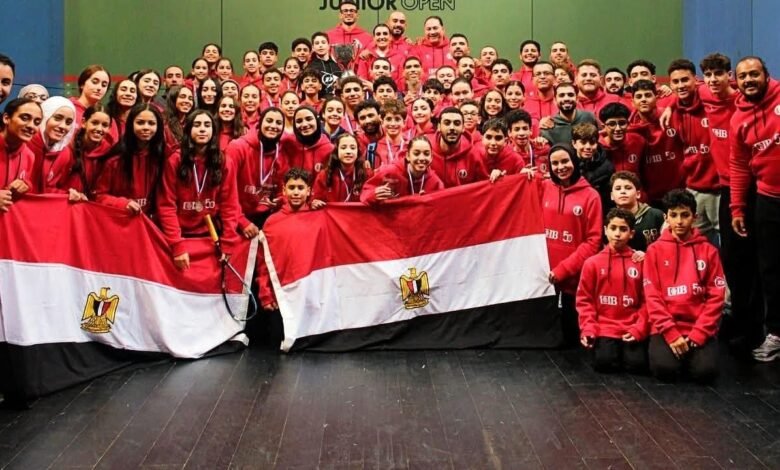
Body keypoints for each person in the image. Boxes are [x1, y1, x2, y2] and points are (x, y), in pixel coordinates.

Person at [644, 189, 725, 382]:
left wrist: (699, 333)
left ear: (695, 217)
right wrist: (671, 334)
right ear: (666, 218)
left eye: (685, 215)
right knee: (665, 370)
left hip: (698, 326)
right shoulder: (654, 251)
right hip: (666, 327)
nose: (679, 221)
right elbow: (652, 297)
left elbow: (716, 297)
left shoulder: (709, 251)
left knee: (705, 373)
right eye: (673, 215)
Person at [730, 56, 780, 361]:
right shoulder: (739, 119)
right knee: (771, 270)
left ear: (766, 75)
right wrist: (737, 207)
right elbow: (739, 165)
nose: (749, 80)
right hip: (767, 200)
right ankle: (776, 333)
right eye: (743, 76)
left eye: (754, 74)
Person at [157, 110, 241, 270]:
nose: (202, 129)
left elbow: (230, 205)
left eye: (207, 125)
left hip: (209, 236)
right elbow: (166, 206)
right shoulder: (175, 160)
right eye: (197, 125)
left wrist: (228, 241)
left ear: (214, 131)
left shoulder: (224, 162)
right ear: (188, 130)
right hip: (180, 236)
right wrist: (176, 244)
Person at [541, 143, 602, 346]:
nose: (560, 167)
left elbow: (593, 241)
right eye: (555, 163)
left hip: (574, 282)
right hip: (543, 281)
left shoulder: (591, 196)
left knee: (571, 342)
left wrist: (563, 270)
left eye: (565, 161)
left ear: (574, 160)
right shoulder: (544, 187)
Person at [577, 208, 649, 372]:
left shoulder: (640, 262)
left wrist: (639, 328)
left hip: (632, 326)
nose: (617, 234)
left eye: (623, 229)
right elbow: (585, 301)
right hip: (604, 328)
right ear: (605, 230)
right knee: (604, 363)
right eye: (613, 228)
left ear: (631, 233)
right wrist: (589, 328)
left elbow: (647, 301)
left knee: (637, 365)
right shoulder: (592, 263)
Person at [667, 59, 720, 243]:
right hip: (694, 189)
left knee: (730, 246)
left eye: (685, 80)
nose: (680, 85)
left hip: (720, 189)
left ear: (695, 80)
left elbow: (731, 84)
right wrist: (671, 105)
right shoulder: (673, 113)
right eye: (676, 81)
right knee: (692, 245)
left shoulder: (710, 98)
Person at [257, 168, 315, 311]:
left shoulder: (317, 219)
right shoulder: (271, 223)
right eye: (291, 187)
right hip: (281, 296)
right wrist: (265, 294)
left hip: (311, 296)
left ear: (308, 191)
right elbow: (263, 263)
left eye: (300, 188)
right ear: (284, 190)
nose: (296, 192)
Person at [95, 103, 166, 217]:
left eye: (151, 123)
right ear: (130, 124)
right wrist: (123, 204)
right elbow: (99, 196)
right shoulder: (115, 160)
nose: (146, 127)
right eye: (140, 122)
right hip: (119, 219)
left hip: (148, 221)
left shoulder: (163, 157)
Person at [226, 107, 286, 236]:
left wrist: (279, 200)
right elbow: (226, 191)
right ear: (260, 123)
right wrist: (241, 221)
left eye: (278, 123)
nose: (273, 126)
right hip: (239, 216)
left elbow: (283, 188)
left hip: (268, 216)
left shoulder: (282, 151)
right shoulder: (238, 147)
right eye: (269, 121)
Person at [628, 79, 684, 205]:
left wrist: (671, 103)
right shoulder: (629, 130)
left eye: (648, 95)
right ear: (632, 102)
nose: (643, 99)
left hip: (679, 192)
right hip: (649, 199)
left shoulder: (671, 116)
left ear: (657, 98)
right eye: (639, 96)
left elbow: (696, 89)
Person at [361, 136, 445, 204]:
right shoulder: (391, 172)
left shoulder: (435, 182)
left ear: (431, 158)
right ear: (408, 156)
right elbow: (365, 192)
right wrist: (373, 194)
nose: (422, 158)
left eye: (426, 154)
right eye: (416, 153)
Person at [0, 98, 42, 212]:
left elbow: (27, 182)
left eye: (37, 122)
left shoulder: (29, 156)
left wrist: (26, 185)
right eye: (24, 118)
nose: (31, 126)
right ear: (6, 118)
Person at [28, 97, 77, 193]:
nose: (63, 126)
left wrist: (69, 194)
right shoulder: (26, 143)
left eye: (68, 122)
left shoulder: (65, 153)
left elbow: (51, 188)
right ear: (44, 117)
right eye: (57, 118)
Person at [429, 107, 487, 187]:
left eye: (457, 123)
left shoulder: (473, 155)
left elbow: (484, 187)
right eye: (447, 123)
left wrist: (497, 176)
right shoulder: (427, 151)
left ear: (463, 128)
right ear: (438, 127)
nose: (452, 128)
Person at [610, 171, 665, 251]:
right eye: (618, 188)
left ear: (638, 194)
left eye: (628, 188)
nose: (623, 191)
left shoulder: (656, 215)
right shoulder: (609, 220)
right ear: (612, 196)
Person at [312, 133, 370, 207]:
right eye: (343, 148)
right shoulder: (324, 175)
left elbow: (372, 198)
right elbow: (315, 200)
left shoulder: (367, 174)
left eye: (352, 148)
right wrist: (314, 203)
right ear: (336, 151)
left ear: (357, 152)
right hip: (332, 214)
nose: (348, 152)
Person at [572, 122, 614, 211]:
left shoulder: (607, 167)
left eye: (592, 143)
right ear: (574, 144)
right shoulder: (567, 165)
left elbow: (609, 200)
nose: (588, 147)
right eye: (583, 142)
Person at [280, 106, 334, 175]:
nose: (304, 124)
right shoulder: (288, 144)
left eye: (309, 119)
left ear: (317, 120)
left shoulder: (330, 149)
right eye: (299, 121)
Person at [599, 102, 646, 177]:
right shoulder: (598, 148)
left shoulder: (638, 141)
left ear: (628, 124)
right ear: (604, 126)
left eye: (622, 123)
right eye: (612, 124)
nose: (618, 128)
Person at [476, 118, 524, 182]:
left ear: (506, 141)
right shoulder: (474, 156)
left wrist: (525, 175)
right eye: (488, 137)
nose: (493, 143)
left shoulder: (516, 160)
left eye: (498, 138)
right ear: (482, 138)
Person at [374, 99, 407, 168]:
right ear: (382, 122)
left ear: (404, 123)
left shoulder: (410, 146)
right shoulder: (374, 148)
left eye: (397, 119)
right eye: (388, 119)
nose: (393, 124)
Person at [163, 85, 194, 155]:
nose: (187, 101)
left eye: (190, 98)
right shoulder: (164, 122)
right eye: (182, 97)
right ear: (173, 99)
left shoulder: (192, 122)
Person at [106, 79, 138, 145]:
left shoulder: (141, 120)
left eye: (132, 91)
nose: (128, 94)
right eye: (123, 90)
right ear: (115, 94)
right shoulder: (106, 118)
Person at [525, 61, 557, 126]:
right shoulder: (526, 103)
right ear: (533, 80)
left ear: (554, 78)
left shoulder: (563, 99)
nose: (542, 77)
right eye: (538, 74)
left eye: (546, 73)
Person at [354, 100, 383, 167]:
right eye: (362, 118)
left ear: (380, 116)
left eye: (371, 115)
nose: (367, 121)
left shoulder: (390, 136)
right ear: (358, 122)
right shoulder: (356, 143)